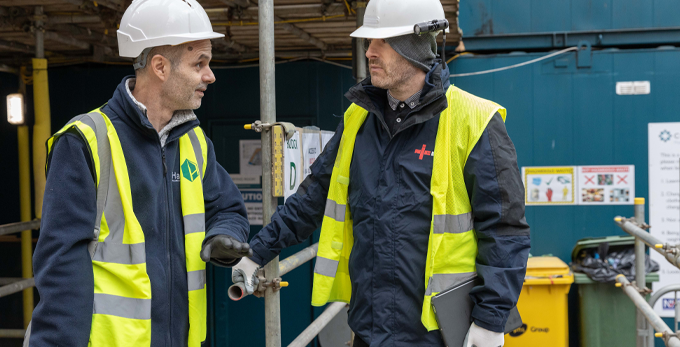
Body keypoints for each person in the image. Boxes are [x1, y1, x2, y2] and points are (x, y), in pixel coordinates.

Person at [230, 0, 530, 346]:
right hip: (369, 332)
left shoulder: (475, 121)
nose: (369, 51)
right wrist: (256, 253)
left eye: (382, 41)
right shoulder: (357, 120)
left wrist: (491, 319)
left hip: (438, 336)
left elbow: (505, 230)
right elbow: (312, 197)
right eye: (369, 41)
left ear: (415, 45)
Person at [26, 1, 252, 346]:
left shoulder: (194, 141)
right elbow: (60, 267)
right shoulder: (85, 141)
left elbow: (228, 209)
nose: (210, 76)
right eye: (200, 64)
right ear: (160, 67)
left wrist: (221, 235)